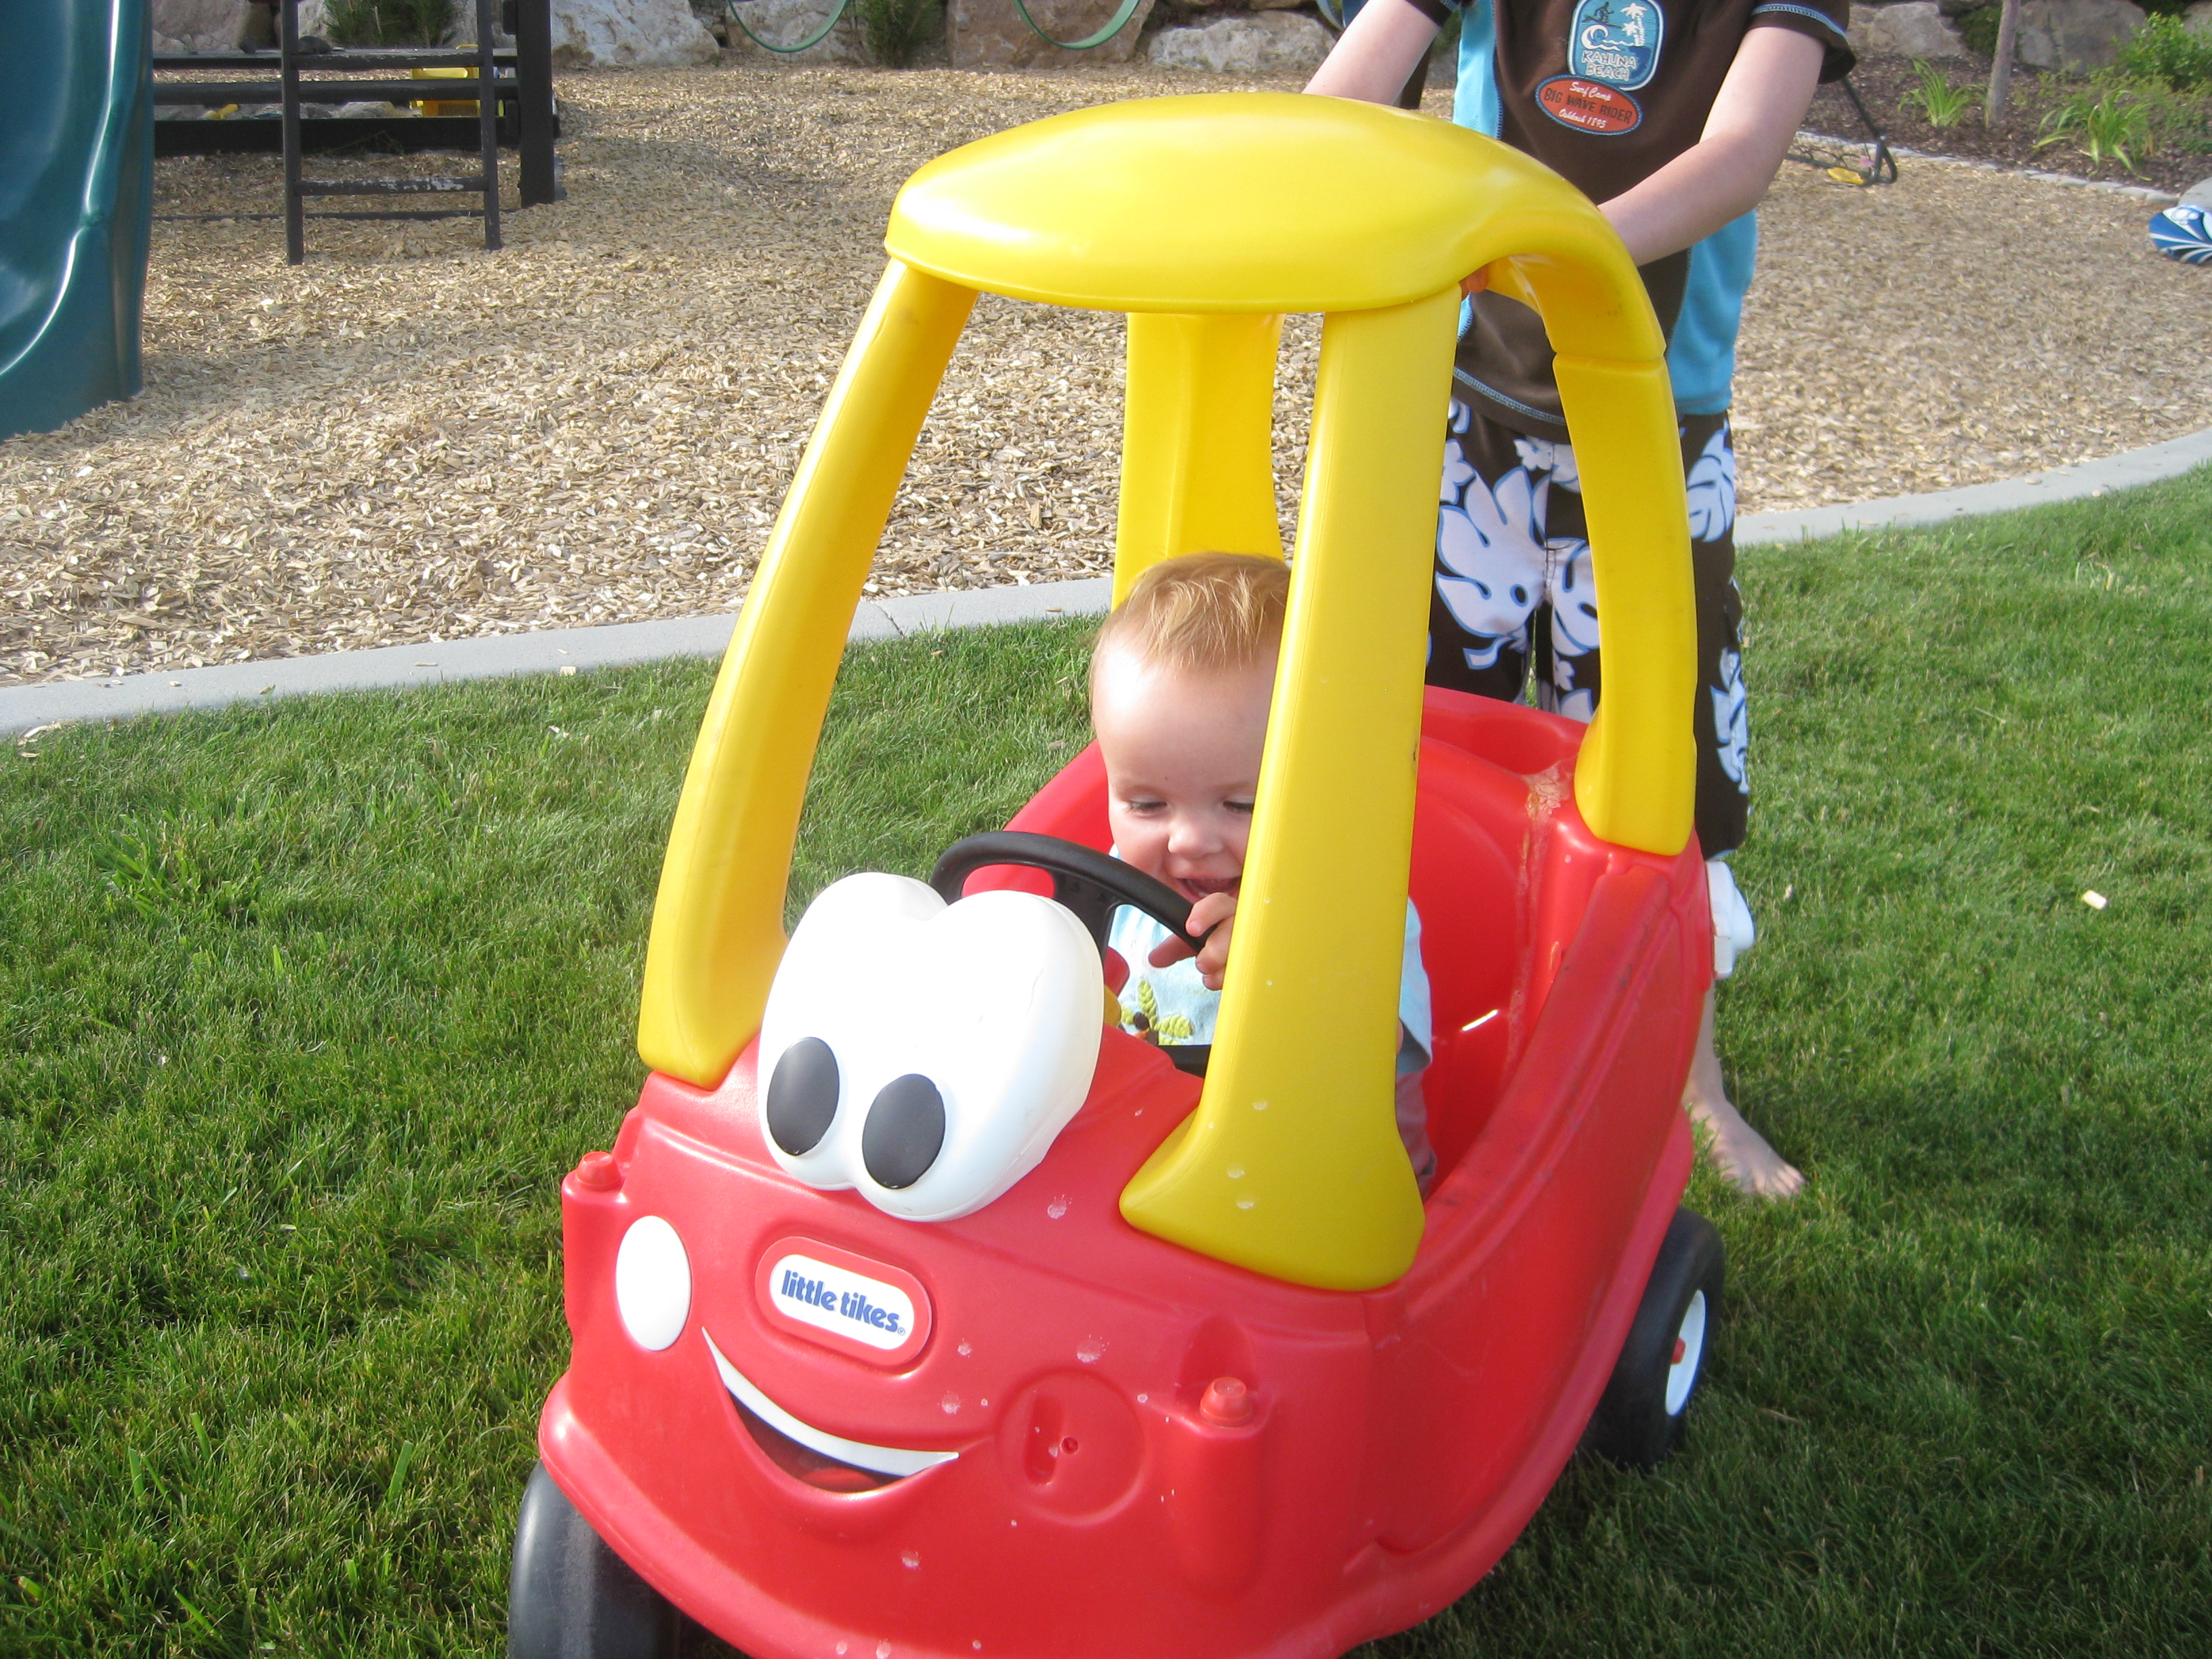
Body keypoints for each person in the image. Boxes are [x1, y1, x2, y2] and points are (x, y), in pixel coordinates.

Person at [1307, 0, 1849, 1200]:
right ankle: (1418, 1036)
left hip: (1652, 431)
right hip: (1465, 421)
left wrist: (1561, 257)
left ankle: (1691, 1082)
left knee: (1666, 769)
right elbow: (1344, 100)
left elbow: (1739, 154)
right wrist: (1309, 166)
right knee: (1418, 744)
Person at [1090, 553, 1439, 1193]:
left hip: (1327, 1195)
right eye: (1145, 804)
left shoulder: (1357, 912)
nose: (1190, 841)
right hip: (1144, 1164)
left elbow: (1361, 1068)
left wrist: (1285, 972)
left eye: (1242, 804)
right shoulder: (1104, 892)